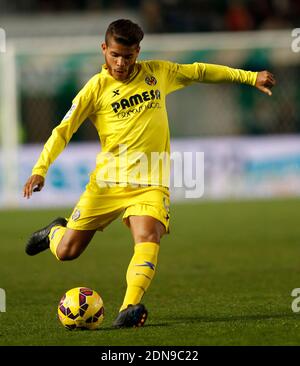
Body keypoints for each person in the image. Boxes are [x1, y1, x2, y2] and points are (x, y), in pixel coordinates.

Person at [23, 19, 276, 328]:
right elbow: (62, 131)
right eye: (115, 54)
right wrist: (40, 169)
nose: (120, 63)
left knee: (148, 236)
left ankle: (129, 308)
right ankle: (54, 232)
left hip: (150, 181)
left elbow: (198, 71)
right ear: (104, 49)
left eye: (128, 56)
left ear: (137, 52)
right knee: (67, 251)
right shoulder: (95, 89)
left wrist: (250, 77)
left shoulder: (158, 73)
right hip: (107, 183)